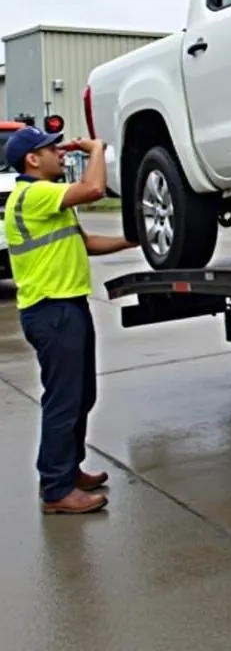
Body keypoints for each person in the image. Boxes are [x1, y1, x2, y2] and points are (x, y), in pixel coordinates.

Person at [3, 126, 137, 515]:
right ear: (32, 159)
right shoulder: (35, 194)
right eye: (52, 149)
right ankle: (57, 490)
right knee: (64, 401)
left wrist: (134, 241)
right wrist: (96, 149)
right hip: (52, 310)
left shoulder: (48, 199)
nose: (61, 154)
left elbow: (86, 243)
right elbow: (94, 188)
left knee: (81, 396)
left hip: (66, 307)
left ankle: (68, 470)